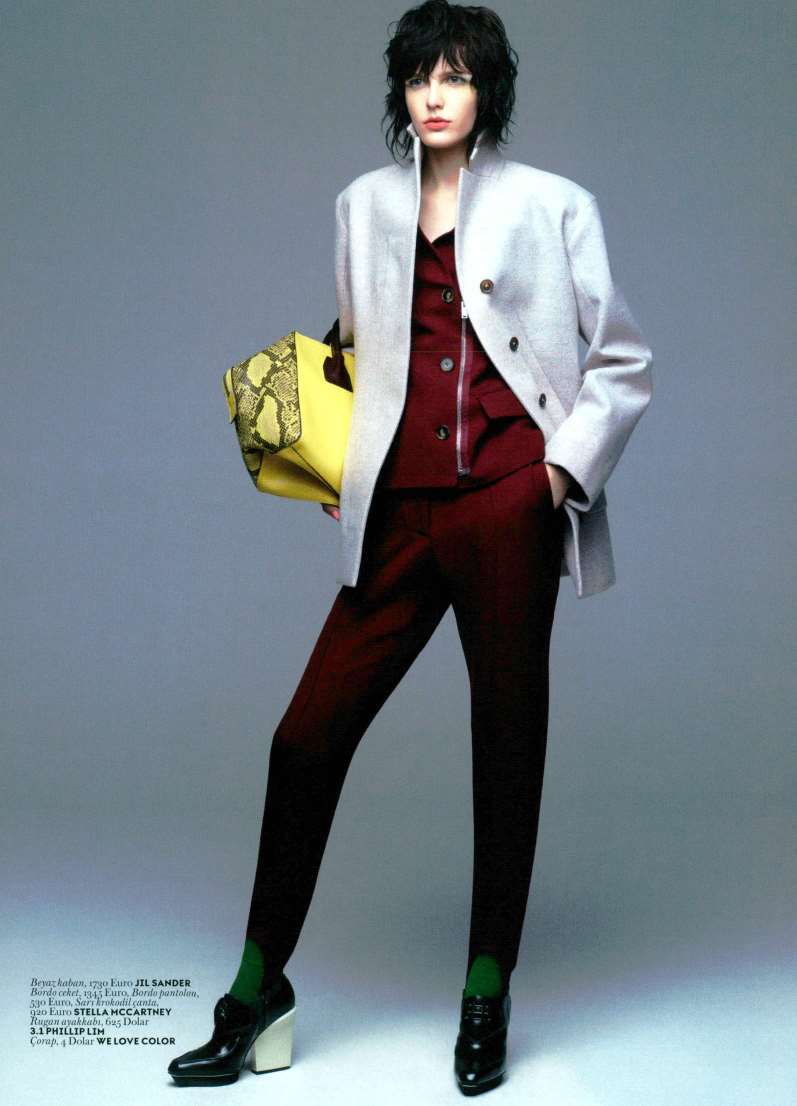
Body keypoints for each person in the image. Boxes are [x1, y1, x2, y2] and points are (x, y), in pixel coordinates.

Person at [168, 0, 653, 1095]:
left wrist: (552, 480)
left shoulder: (553, 204)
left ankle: (485, 984)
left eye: (457, 76)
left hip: (505, 509)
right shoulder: (361, 205)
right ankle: (257, 988)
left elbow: (622, 360)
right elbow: (357, 344)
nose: (436, 95)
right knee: (304, 738)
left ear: (487, 92)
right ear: (399, 90)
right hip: (395, 515)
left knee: (505, 744)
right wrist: (326, 457)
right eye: (420, 77)